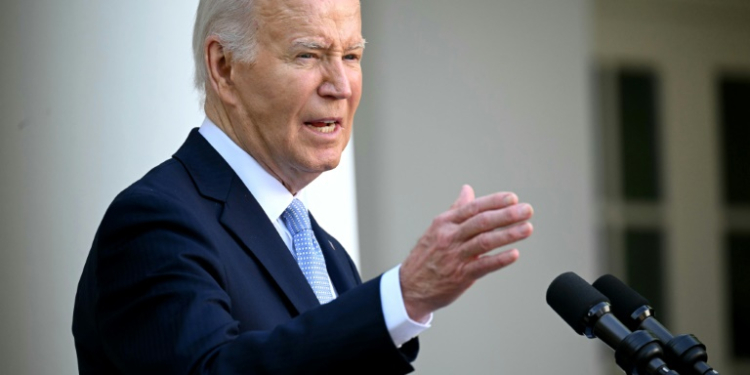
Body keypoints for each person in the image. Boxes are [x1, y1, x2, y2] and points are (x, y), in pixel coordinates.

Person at [72, 0, 535, 373]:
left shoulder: (322, 249)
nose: (339, 85)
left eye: (351, 56)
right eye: (308, 55)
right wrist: (400, 298)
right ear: (224, 67)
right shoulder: (155, 222)